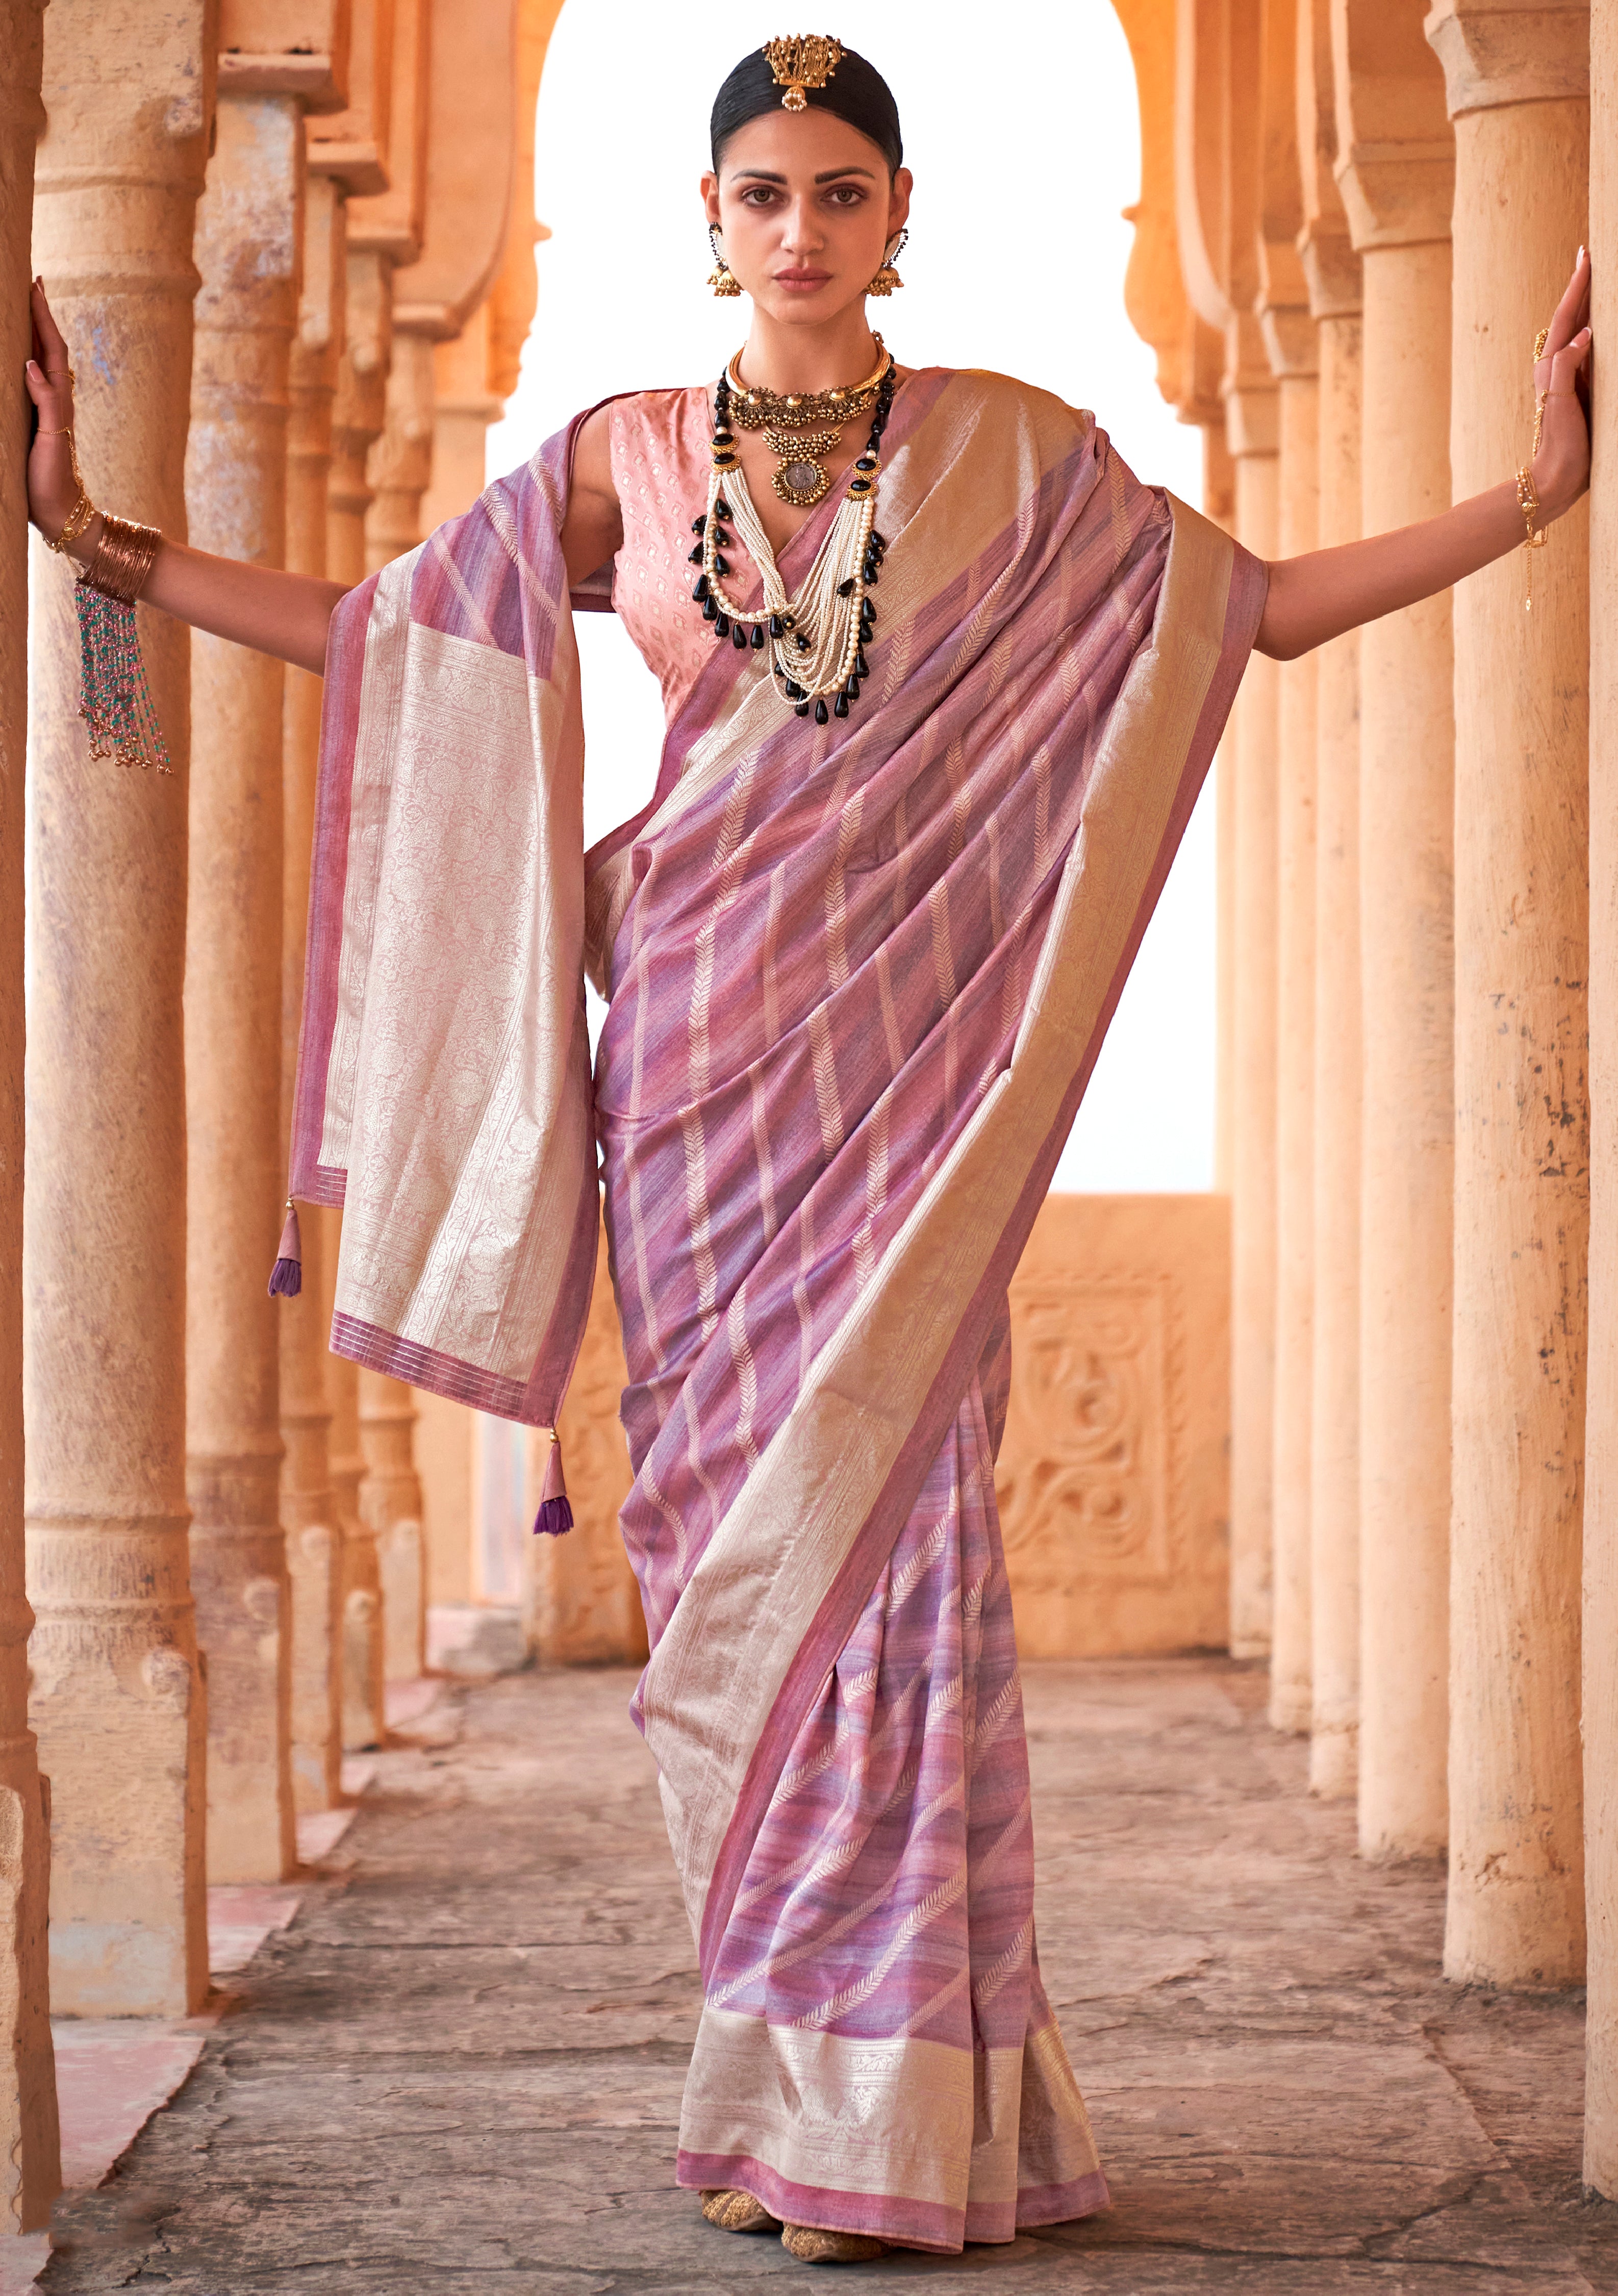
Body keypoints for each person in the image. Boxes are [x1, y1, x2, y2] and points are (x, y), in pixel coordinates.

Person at [24, 33, 1592, 2271]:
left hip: (901, 1121)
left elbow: (1247, 609)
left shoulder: (1020, 471)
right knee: (723, 1581)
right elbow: (389, 642)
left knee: (900, 1557)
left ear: (895, 217)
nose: (798, 228)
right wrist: (109, 544)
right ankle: (787, 2093)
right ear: (710, 221)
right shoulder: (626, 467)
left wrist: (1539, 492)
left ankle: (897, 2116)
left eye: (838, 190)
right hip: (688, 1093)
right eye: (761, 192)